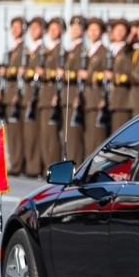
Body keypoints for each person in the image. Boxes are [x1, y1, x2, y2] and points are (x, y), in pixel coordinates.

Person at [1, 16, 26, 176]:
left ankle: (18, 164)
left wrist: (9, 71)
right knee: (11, 133)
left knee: (17, 133)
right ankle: (15, 162)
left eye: (18, 27)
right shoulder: (12, 50)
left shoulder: (24, 50)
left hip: (18, 95)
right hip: (8, 95)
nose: (15, 30)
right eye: (13, 27)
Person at [38, 17, 64, 170]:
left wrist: (46, 73)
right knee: (45, 135)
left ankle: (52, 167)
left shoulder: (61, 50)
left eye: (56, 29)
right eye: (51, 29)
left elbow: (61, 72)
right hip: (44, 95)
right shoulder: (48, 49)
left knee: (52, 136)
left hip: (53, 95)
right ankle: (46, 166)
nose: (53, 31)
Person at [21, 17, 45, 177]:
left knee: (37, 134)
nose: (33, 31)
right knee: (28, 134)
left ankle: (36, 167)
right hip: (29, 94)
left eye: (37, 28)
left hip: (40, 96)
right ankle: (30, 166)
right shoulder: (30, 50)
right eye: (32, 28)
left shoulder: (44, 50)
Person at [82, 18, 109, 155]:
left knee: (96, 138)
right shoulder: (87, 51)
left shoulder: (104, 51)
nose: (92, 32)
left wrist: (90, 75)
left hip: (96, 97)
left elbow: (106, 74)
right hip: (87, 99)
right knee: (88, 137)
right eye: (90, 29)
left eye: (96, 29)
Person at [62, 15, 86, 167]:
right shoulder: (72, 49)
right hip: (68, 96)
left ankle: (75, 167)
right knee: (69, 136)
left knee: (74, 136)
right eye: (73, 28)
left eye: (78, 28)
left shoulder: (81, 50)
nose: (74, 31)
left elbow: (79, 75)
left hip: (74, 96)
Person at [108, 18, 133, 131]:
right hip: (108, 99)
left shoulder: (128, 51)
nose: (119, 32)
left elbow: (129, 74)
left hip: (121, 100)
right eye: (116, 29)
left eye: (122, 30)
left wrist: (113, 77)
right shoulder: (109, 49)